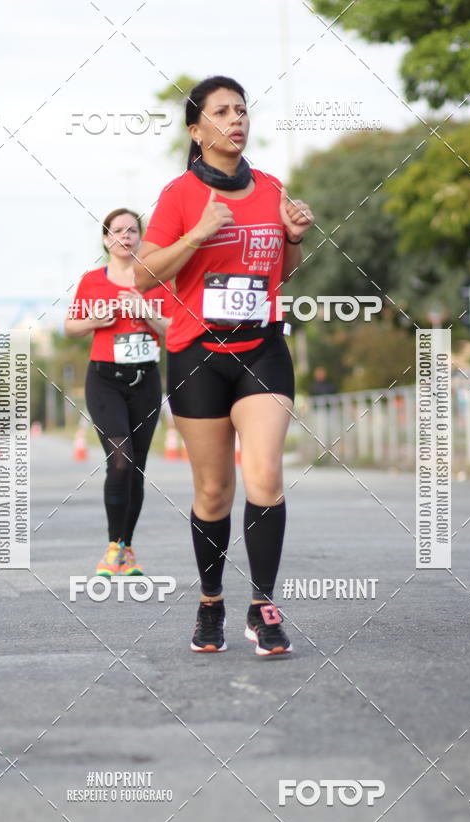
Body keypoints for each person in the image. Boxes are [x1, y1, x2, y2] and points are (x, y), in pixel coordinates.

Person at [135, 75, 314, 656]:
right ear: (197, 129)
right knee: (213, 492)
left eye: (242, 110)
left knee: (265, 476)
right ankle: (210, 601)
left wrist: (292, 239)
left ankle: (263, 607)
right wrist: (197, 236)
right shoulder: (180, 196)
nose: (236, 120)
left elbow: (280, 276)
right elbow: (141, 274)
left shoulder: (270, 187)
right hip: (197, 357)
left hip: (261, 349)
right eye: (221, 112)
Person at [65, 208, 173, 577]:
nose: (124, 237)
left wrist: (144, 309)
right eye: (117, 231)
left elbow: (174, 330)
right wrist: (99, 318)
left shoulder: (156, 279)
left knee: (137, 468)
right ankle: (113, 547)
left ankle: (126, 548)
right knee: (120, 459)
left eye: (132, 231)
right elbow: (71, 326)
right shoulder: (92, 280)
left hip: (145, 380)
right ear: (105, 238)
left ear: (140, 237)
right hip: (105, 380)